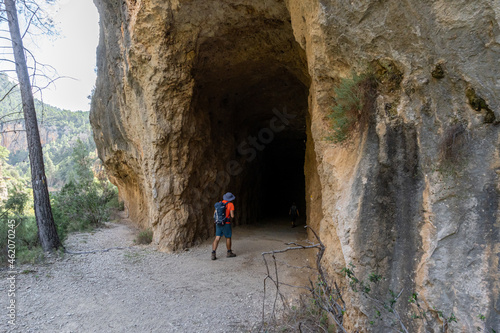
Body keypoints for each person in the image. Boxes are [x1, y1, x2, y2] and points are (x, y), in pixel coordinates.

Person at [212, 192, 236, 260]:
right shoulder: (231, 204)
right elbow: (232, 215)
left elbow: (214, 214)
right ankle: (229, 252)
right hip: (226, 223)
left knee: (217, 238)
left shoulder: (219, 203)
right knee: (228, 237)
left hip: (219, 223)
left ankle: (213, 253)